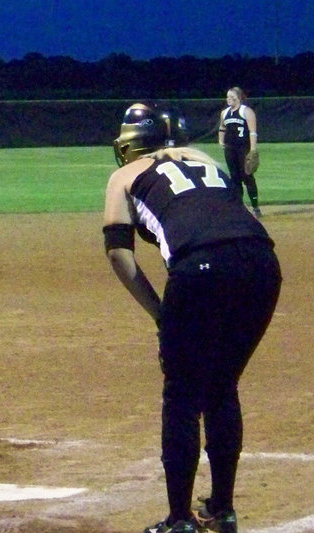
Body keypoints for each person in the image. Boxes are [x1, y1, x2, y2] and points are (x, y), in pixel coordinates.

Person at [105, 102, 282, 533]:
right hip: (262, 262)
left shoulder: (123, 176)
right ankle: (221, 510)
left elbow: (118, 253)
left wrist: (161, 313)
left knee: (182, 396)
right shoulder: (202, 158)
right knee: (221, 386)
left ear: (130, 145)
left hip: (200, 267)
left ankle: (179, 520)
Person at [219, 87, 261, 217]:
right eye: (227, 97)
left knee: (247, 177)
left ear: (238, 98)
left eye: (232, 97)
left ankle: (255, 207)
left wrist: (253, 149)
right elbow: (222, 128)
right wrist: (221, 141)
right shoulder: (225, 113)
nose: (228, 99)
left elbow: (253, 132)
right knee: (234, 177)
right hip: (230, 149)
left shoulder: (246, 111)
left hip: (243, 148)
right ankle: (239, 207)